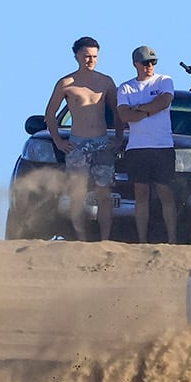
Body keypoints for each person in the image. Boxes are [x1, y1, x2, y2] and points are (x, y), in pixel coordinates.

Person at [43, 36, 118, 241]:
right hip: (77, 144)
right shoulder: (66, 83)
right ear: (77, 55)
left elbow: (118, 112)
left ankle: (105, 239)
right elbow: (50, 114)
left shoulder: (105, 82)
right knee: (78, 195)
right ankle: (81, 238)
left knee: (104, 194)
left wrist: (118, 138)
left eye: (94, 57)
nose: (90, 60)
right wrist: (58, 141)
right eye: (86, 56)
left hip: (101, 143)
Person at [117, 46, 178, 244]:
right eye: (145, 63)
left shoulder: (163, 80)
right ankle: (142, 239)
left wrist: (141, 110)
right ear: (136, 64)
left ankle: (172, 239)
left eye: (152, 62)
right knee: (140, 193)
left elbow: (164, 102)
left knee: (165, 192)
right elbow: (125, 115)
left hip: (162, 146)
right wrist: (146, 110)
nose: (149, 66)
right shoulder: (126, 88)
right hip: (137, 147)